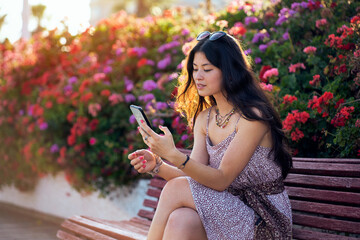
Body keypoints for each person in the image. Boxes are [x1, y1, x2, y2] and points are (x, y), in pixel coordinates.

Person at [128, 31, 293, 240]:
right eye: (195, 69)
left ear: (229, 71)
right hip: (227, 210)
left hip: (264, 221)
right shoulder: (205, 118)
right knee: (181, 219)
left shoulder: (253, 118)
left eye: (207, 69)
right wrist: (158, 165)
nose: (198, 76)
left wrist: (174, 155)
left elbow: (221, 180)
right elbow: (193, 178)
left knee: (175, 190)